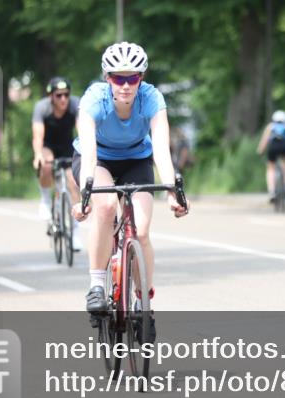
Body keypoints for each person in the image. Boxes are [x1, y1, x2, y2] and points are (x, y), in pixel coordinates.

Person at [71, 42, 188, 333]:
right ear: (107, 78)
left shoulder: (151, 99)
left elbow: (161, 149)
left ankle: (142, 301)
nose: (125, 85)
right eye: (117, 78)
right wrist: (86, 196)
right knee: (107, 206)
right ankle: (97, 285)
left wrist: (173, 189)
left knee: (143, 229)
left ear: (142, 77)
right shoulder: (93, 100)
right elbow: (88, 151)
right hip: (97, 160)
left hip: (137, 159)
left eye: (132, 77)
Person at [32, 77, 80, 225]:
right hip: (48, 146)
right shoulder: (42, 107)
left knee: (73, 180)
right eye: (59, 95)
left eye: (66, 94)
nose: (63, 99)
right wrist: (38, 154)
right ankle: (46, 199)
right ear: (51, 96)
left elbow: (82, 131)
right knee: (46, 164)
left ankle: (75, 231)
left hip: (67, 147)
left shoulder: (75, 105)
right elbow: (37, 136)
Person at [256, 110, 285, 203]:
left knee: (271, 168)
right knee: (284, 162)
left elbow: (264, 140)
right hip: (284, 146)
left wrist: (260, 151)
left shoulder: (270, 127)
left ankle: (272, 192)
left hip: (273, 147)